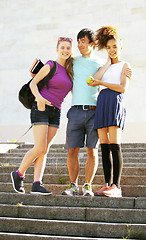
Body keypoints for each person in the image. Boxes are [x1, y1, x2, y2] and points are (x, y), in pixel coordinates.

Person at [62, 28, 131, 197]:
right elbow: (91, 79)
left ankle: (103, 186)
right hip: (88, 108)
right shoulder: (78, 62)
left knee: (102, 148)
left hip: (103, 108)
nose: (79, 45)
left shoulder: (114, 65)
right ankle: (90, 185)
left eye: (83, 41)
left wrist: (105, 75)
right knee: (88, 148)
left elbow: (120, 85)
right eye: (109, 47)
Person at [11, 37, 73, 195]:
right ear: (57, 49)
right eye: (63, 47)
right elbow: (33, 83)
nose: (65, 50)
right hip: (41, 107)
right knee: (39, 147)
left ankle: (37, 183)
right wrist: (38, 98)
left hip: (56, 111)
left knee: (44, 150)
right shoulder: (50, 65)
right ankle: (18, 174)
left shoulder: (69, 70)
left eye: (68, 48)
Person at [88, 25, 131, 197]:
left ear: (121, 47)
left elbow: (122, 88)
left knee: (114, 145)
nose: (112, 50)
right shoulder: (105, 66)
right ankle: (107, 184)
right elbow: (92, 81)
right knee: (104, 146)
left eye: (115, 47)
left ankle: (117, 186)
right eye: (109, 47)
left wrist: (102, 84)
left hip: (114, 102)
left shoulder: (125, 65)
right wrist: (106, 64)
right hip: (102, 104)